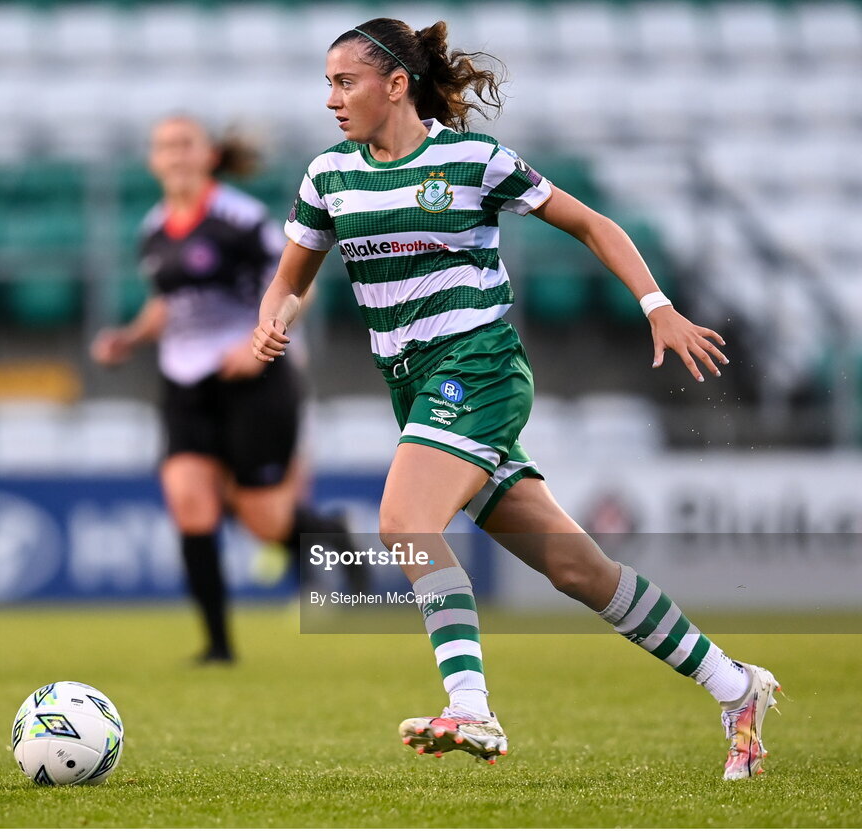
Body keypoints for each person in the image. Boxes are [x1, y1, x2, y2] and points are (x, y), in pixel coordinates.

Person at [252, 19, 781, 778]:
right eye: (327, 83)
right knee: (577, 569)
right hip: (414, 387)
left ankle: (470, 706)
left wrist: (657, 303)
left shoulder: (471, 159)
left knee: (405, 520)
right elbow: (289, 280)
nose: (330, 98)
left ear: (395, 84)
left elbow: (590, 223)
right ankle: (735, 687)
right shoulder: (328, 176)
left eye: (345, 81)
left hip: (479, 369)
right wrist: (275, 320)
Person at [92, 115, 352, 664]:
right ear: (153, 161)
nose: (176, 155)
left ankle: (329, 533)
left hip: (253, 379)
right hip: (186, 383)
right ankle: (217, 645)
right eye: (165, 146)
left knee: (264, 521)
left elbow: (296, 287)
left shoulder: (241, 219)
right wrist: (131, 337)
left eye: (186, 144)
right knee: (190, 502)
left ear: (209, 155)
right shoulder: (154, 228)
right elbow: (169, 302)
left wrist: (263, 337)